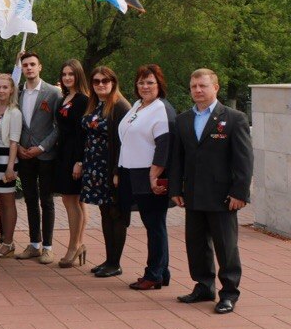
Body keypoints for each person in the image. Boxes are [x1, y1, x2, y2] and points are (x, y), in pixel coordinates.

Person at [169, 68, 253, 314]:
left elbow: (244, 161)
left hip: (223, 197)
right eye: (194, 86)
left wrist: (240, 193)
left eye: (203, 86)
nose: (197, 90)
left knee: (226, 246)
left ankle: (228, 293)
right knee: (196, 244)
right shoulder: (183, 120)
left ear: (215, 88)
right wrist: (175, 188)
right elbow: (178, 158)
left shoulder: (234, 118)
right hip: (193, 194)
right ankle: (204, 285)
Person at [116, 64, 176, 289]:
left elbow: (164, 146)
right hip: (133, 172)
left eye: (150, 82)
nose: (145, 86)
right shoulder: (138, 105)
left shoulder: (161, 109)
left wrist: (154, 175)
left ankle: (154, 275)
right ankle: (162, 271)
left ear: (159, 85)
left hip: (150, 174)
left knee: (155, 225)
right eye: (141, 82)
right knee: (153, 224)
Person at [81, 66, 131, 277]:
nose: (101, 84)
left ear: (113, 82)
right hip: (95, 167)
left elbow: (124, 142)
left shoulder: (120, 106)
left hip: (112, 168)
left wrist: (117, 170)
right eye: (96, 81)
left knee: (116, 213)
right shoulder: (94, 103)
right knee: (104, 212)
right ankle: (109, 259)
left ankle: (115, 263)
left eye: (105, 81)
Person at [15, 52, 62, 264]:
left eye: (32, 64)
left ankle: (48, 247)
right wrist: (18, 148)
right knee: (30, 200)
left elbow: (58, 126)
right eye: (25, 65)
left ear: (40, 67)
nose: (29, 68)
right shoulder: (18, 93)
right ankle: (34, 243)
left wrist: (42, 147)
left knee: (47, 200)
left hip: (45, 155)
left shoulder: (53, 93)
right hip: (24, 154)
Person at [54, 60, 90, 268]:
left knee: (70, 201)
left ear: (78, 75)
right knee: (77, 201)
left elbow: (82, 133)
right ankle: (79, 243)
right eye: (64, 74)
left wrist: (79, 161)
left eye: (71, 74)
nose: (67, 77)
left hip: (73, 155)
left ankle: (73, 246)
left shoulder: (82, 100)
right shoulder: (65, 98)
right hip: (63, 152)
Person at [0, 73, 23, 259]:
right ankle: (5, 241)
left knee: (7, 202)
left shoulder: (14, 112)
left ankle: (8, 242)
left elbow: (14, 142)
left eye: (4, 87)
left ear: (11, 90)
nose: (1, 90)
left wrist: (10, 167)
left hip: (6, 159)